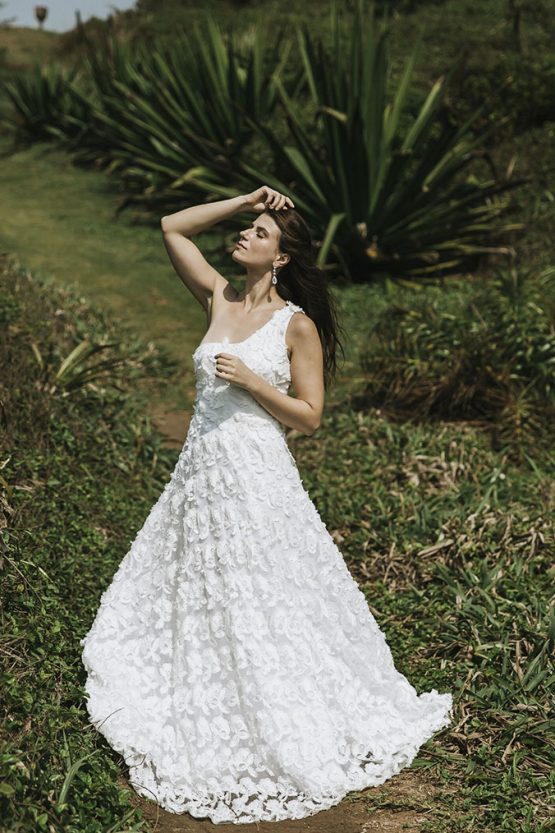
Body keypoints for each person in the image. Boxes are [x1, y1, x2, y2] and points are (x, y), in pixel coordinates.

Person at [80, 185, 453, 825]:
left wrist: (254, 382)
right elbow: (172, 227)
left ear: (280, 258)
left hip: (256, 474)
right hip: (200, 473)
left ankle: (278, 704)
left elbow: (310, 416)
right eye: (248, 228)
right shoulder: (218, 297)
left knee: (262, 589)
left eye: (260, 232)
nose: (246, 236)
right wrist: (245, 200)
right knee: (202, 584)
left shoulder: (296, 325)